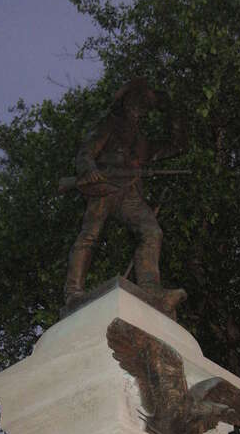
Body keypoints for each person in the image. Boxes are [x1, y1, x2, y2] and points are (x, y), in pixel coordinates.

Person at [65, 78, 187, 310]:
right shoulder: (110, 123)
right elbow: (86, 152)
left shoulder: (142, 142)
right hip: (104, 188)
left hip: (130, 193)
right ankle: (73, 292)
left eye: (145, 103)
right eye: (137, 99)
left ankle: (151, 289)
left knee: (152, 232)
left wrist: (173, 112)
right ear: (126, 101)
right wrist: (89, 170)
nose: (140, 105)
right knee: (89, 236)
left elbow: (177, 146)